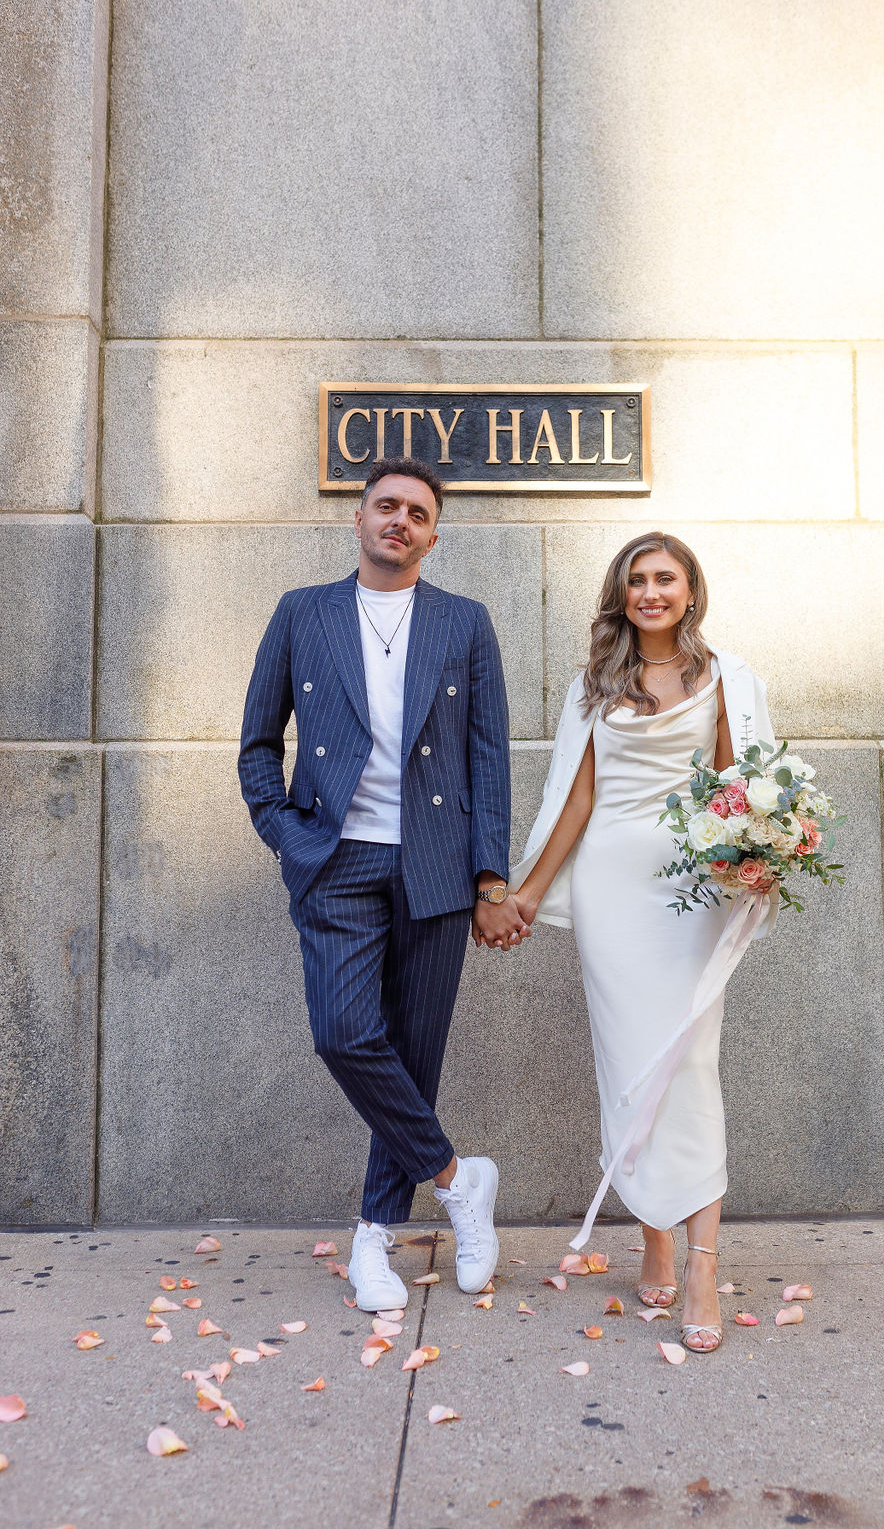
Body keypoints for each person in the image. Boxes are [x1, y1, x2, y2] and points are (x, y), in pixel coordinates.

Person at [238, 456, 531, 1313]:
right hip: (337, 861)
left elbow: (487, 755)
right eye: (386, 505)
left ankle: (374, 1239)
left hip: (435, 867)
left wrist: (490, 876)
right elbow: (258, 743)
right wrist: (287, 835)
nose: (399, 520)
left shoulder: (465, 623)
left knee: (413, 1056)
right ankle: (457, 1177)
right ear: (358, 519)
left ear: (433, 534)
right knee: (343, 1033)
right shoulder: (303, 613)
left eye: (417, 512)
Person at [509, 532, 777, 1353]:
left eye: (665, 578)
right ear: (621, 595)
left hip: (688, 892)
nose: (650, 592)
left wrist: (758, 857)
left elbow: (740, 788)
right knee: (628, 1068)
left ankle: (701, 1261)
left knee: (688, 1061)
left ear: (692, 589)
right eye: (636, 581)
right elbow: (577, 799)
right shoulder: (594, 685)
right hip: (611, 891)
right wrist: (524, 892)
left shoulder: (729, 678)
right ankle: (654, 1236)